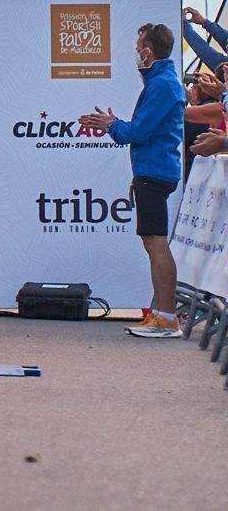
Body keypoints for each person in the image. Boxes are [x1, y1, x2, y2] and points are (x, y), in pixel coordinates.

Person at [79, 22, 188, 337]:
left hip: (155, 172)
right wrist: (113, 124)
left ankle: (167, 318)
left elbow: (138, 132)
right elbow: (140, 129)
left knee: (156, 242)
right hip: (151, 171)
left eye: (138, 46)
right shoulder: (160, 83)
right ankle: (159, 313)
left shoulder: (163, 85)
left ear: (147, 51)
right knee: (150, 241)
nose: (135, 53)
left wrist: (110, 125)